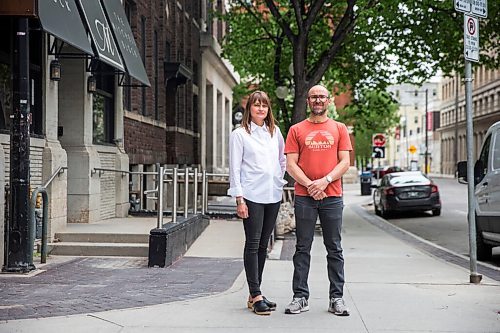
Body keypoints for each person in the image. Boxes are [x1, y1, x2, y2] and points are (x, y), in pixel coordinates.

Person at [284, 84, 352, 316]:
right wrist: (311, 185)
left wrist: (324, 181)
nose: (318, 100)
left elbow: (344, 162)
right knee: (302, 247)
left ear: (329, 100)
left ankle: (336, 298)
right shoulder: (296, 130)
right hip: (305, 197)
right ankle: (300, 297)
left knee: (334, 248)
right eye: (314, 97)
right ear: (308, 101)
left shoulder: (340, 128)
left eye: (322, 97)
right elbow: (290, 164)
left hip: (332, 196)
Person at [228, 90, 286, 315]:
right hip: (251, 196)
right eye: (256, 105)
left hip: (272, 195)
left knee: (264, 245)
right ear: (249, 109)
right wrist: (239, 199)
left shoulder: (275, 132)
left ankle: (255, 293)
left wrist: (279, 180)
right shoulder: (240, 134)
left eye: (264, 105)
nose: (261, 109)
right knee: (252, 244)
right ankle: (256, 293)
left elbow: (282, 159)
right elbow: (234, 168)